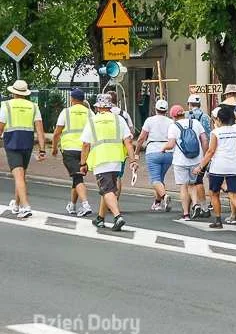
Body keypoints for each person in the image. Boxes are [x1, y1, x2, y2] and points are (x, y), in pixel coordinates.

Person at [80, 94, 137, 231]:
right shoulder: (119, 120)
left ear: (98, 107)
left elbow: (86, 145)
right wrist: (133, 159)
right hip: (117, 159)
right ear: (110, 107)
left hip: (101, 159)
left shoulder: (93, 121)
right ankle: (100, 218)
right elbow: (128, 142)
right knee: (108, 189)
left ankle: (117, 217)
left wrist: (83, 163)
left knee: (107, 190)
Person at [192, 106, 236, 229]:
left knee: (214, 193)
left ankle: (218, 220)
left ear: (219, 120)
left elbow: (211, 151)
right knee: (234, 194)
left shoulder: (216, 132)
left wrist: (200, 166)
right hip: (234, 166)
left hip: (218, 166)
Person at [1, 80, 46, 219]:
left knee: (19, 175)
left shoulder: (6, 105)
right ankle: (16, 204)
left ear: (13, 92)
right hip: (27, 144)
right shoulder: (33, 106)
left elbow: (0, 127)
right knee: (21, 175)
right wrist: (42, 149)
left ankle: (25, 206)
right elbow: (40, 129)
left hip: (12, 144)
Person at [162, 105, 209, 221]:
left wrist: (163, 148)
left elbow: (171, 144)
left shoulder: (173, 127)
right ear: (184, 113)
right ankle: (195, 204)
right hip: (196, 160)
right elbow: (204, 140)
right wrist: (204, 155)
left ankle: (186, 214)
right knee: (192, 184)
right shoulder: (195, 123)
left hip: (180, 161)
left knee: (183, 186)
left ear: (173, 116)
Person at [51, 88, 93, 217]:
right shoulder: (90, 112)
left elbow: (57, 132)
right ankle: (73, 205)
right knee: (76, 176)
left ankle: (85, 204)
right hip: (85, 150)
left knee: (77, 177)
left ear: (72, 99)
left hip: (69, 149)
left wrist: (54, 148)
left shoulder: (66, 112)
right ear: (83, 99)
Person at [134, 99, 174, 213]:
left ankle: (164, 196)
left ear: (155, 109)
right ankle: (157, 203)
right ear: (166, 110)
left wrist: (136, 153)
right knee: (160, 179)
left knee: (155, 179)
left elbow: (141, 138)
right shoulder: (171, 122)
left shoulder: (149, 120)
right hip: (168, 152)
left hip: (153, 151)